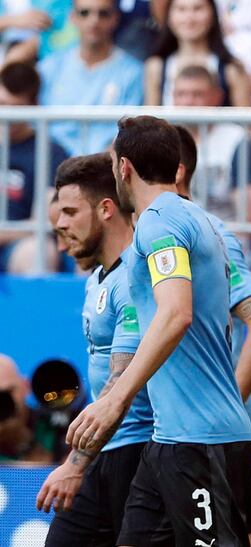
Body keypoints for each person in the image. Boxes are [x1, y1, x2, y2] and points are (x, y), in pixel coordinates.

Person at [66, 116, 251, 546]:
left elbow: (176, 314)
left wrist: (116, 400)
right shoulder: (196, 218)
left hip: (200, 438)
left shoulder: (159, 222)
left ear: (124, 167)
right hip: (169, 436)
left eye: (113, 162)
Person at [174, 123, 251, 547]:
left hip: (210, 427)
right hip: (179, 426)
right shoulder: (156, 234)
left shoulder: (208, 235)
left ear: (176, 171)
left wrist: (221, 402)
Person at [38, 153, 155, 547]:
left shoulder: (135, 280)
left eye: (71, 211)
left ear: (106, 209)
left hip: (138, 455)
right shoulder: (98, 279)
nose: (59, 223)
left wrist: (74, 464)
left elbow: (122, 383)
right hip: (102, 451)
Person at [171, 65, 251, 262]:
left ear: (217, 97)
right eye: (181, 94)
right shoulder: (162, 139)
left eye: (197, 94)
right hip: (175, 245)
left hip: (227, 247)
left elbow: (249, 224)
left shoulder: (237, 140)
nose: (188, 102)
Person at [38, 0, 143, 157]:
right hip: (51, 167)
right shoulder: (48, 68)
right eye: (84, 13)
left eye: (103, 13)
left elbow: (130, 131)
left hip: (105, 171)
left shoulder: (133, 72)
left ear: (115, 18)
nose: (94, 21)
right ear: (72, 17)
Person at [0, 62, 69, 274]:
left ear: (33, 106)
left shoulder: (51, 152)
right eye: (1, 104)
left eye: (15, 107)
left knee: (40, 252)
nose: (5, 114)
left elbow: (42, 221)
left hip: (18, 244)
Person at [145, 0, 250, 106]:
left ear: (213, 14)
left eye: (198, 9)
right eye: (181, 9)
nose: (189, 18)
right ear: (169, 16)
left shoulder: (232, 68)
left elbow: (247, 121)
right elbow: (150, 117)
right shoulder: (155, 67)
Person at [0, 354, 57, 463]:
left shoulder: (56, 427)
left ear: (25, 386)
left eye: (8, 392)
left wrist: (23, 438)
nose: (3, 402)